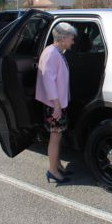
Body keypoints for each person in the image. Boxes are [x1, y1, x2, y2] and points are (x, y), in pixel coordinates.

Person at [35, 22, 77, 183]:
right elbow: (48, 81)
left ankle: (57, 165)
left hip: (57, 103)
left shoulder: (56, 51)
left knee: (57, 136)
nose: (73, 41)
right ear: (63, 38)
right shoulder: (52, 53)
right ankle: (52, 170)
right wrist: (57, 105)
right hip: (54, 105)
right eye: (71, 38)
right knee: (55, 137)